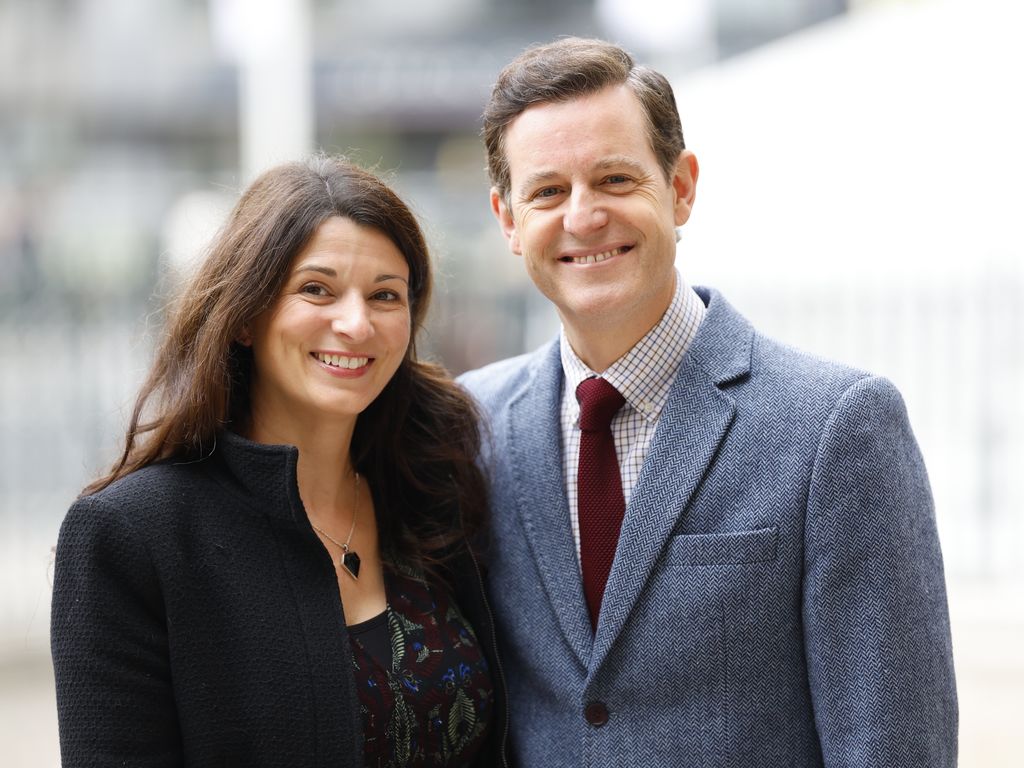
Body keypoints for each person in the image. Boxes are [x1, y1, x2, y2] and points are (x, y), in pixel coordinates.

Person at [458, 37, 956, 766]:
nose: (584, 216)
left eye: (616, 179)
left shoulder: (837, 428)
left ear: (681, 186)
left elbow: (893, 747)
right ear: (508, 218)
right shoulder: (472, 428)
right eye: (548, 192)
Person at [51, 155, 508, 767]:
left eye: (384, 295)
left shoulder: (432, 487)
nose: (355, 322)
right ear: (245, 315)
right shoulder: (132, 536)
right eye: (316, 289)